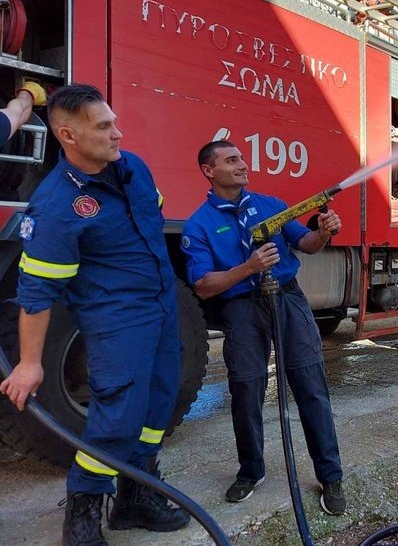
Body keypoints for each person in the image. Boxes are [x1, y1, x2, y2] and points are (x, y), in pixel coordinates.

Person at [0, 84, 189, 545]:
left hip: (163, 308)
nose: (118, 134)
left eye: (115, 122)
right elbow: (37, 293)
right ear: (67, 135)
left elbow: (152, 220)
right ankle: (83, 510)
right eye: (104, 127)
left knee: (158, 402)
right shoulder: (57, 208)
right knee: (118, 415)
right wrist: (29, 362)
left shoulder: (133, 169)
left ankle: (136, 497)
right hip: (117, 320)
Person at [181, 140, 346, 514]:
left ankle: (331, 476)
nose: (242, 164)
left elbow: (306, 243)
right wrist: (248, 269)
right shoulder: (199, 225)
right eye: (231, 160)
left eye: (241, 157)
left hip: (287, 299)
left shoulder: (270, 206)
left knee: (311, 387)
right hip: (241, 309)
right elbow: (203, 285)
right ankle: (250, 471)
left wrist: (323, 232)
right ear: (209, 170)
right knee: (245, 391)